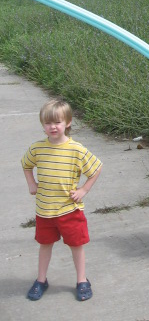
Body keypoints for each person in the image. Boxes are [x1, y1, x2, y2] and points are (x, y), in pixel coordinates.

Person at [21, 98, 102, 302]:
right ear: (43, 125)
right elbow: (26, 164)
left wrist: (83, 189)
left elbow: (96, 168)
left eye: (57, 122)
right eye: (48, 123)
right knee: (45, 245)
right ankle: (41, 280)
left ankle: (82, 280)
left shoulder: (76, 149)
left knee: (77, 245)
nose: (52, 127)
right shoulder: (37, 148)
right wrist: (31, 183)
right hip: (44, 210)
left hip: (70, 210)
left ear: (68, 122)